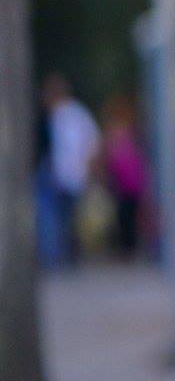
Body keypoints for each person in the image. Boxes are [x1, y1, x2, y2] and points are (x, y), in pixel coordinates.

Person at [41, 73, 100, 268]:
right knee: (62, 220)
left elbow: (91, 144)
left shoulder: (72, 115)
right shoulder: (62, 116)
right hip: (62, 177)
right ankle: (62, 258)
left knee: (65, 220)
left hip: (70, 177)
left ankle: (64, 258)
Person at [100, 94, 150, 259]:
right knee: (126, 217)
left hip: (127, 184)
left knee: (127, 217)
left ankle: (129, 249)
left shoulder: (120, 135)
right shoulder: (126, 134)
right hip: (127, 184)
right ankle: (129, 248)